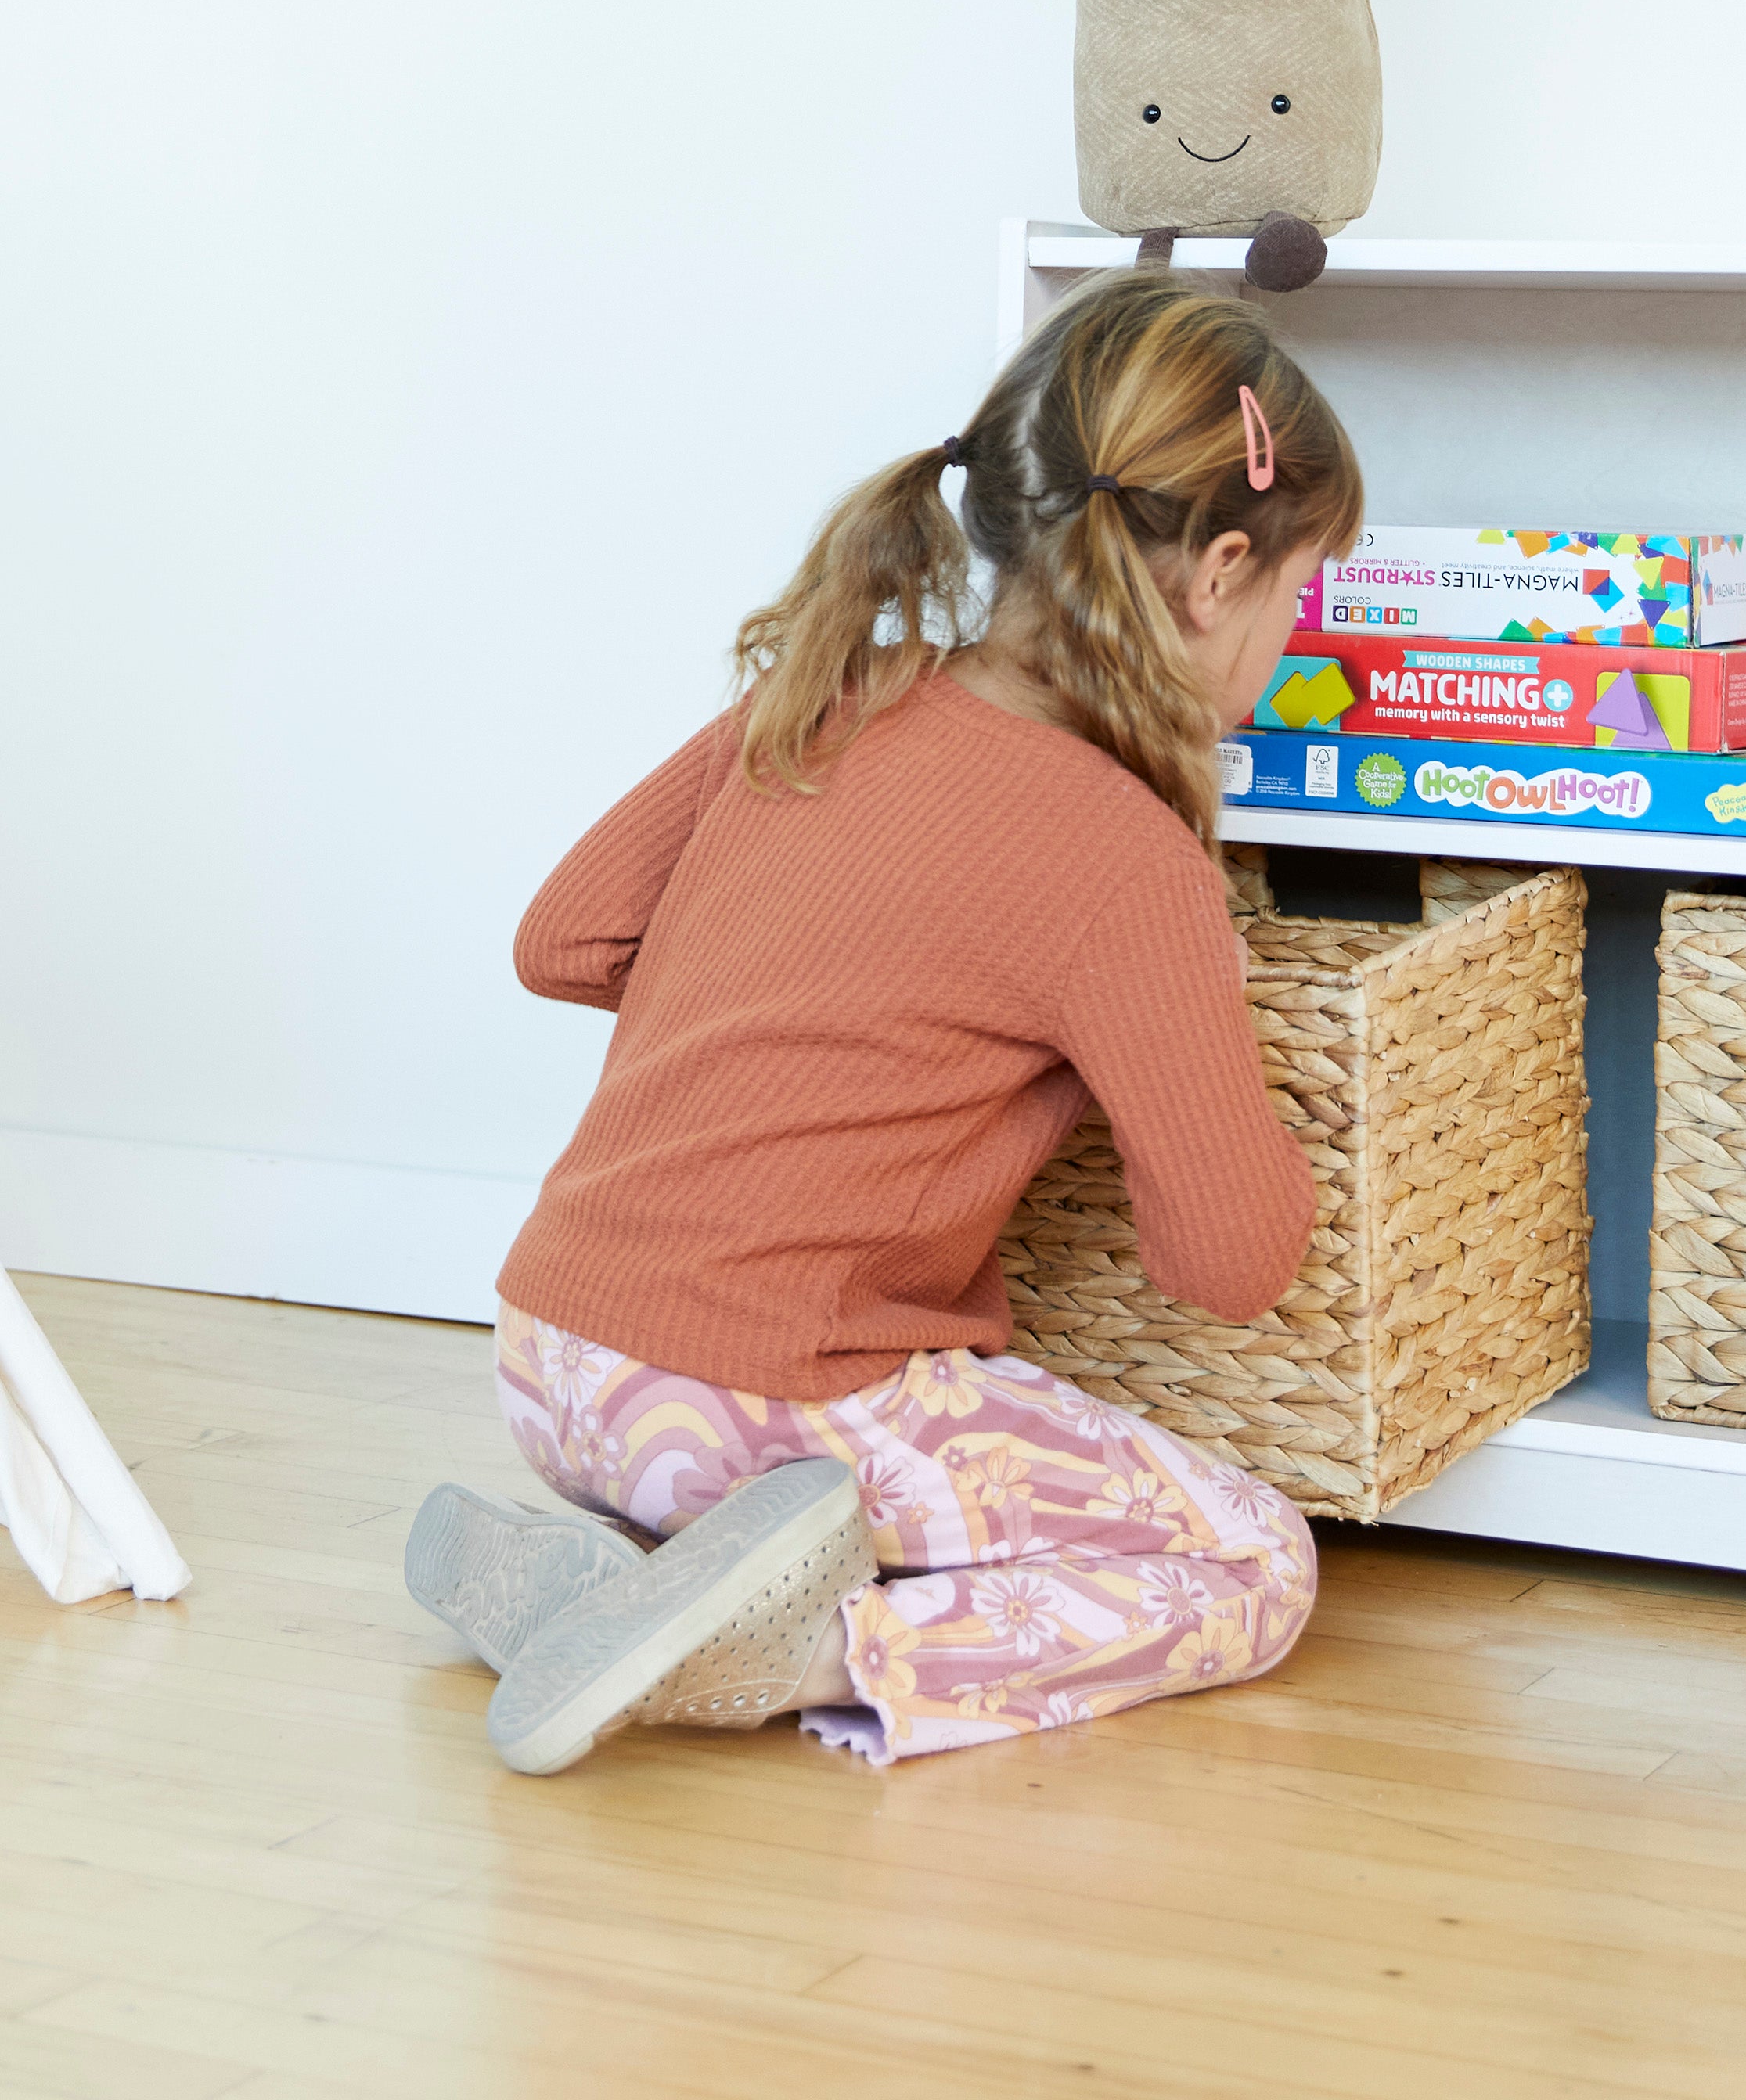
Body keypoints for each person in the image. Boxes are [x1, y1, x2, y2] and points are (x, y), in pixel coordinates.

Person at [402, 269, 1365, 1775]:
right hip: (767, 1401)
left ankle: (629, 1579)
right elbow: (1232, 1264)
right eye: (1303, 597)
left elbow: (563, 937)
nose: (1291, 645)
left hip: (548, 1352)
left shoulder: (830, 690)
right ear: (1222, 570)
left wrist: (795, 1006)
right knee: (1256, 1564)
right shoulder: (1126, 857)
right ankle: (790, 1645)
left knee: (820, 1466)